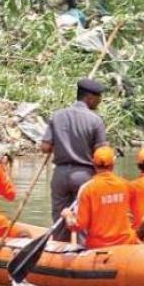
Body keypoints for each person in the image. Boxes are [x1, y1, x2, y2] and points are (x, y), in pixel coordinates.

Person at [41, 78, 108, 240]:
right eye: (98, 98)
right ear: (89, 98)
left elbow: (45, 147)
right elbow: (102, 154)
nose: (100, 102)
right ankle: (82, 254)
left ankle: (58, 252)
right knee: (84, 220)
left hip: (60, 174)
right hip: (84, 176)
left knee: (59, 219)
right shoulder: (95, 120)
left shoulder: (57, 116)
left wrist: (62, 143)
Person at [61, 146, 138, 248]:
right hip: (126, 243)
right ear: (113, 165)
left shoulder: (87, 189)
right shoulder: (127, 185)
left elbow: (78, 225)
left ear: (94, 164)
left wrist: (68, 215)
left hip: (98, 246)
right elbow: (135, 216)